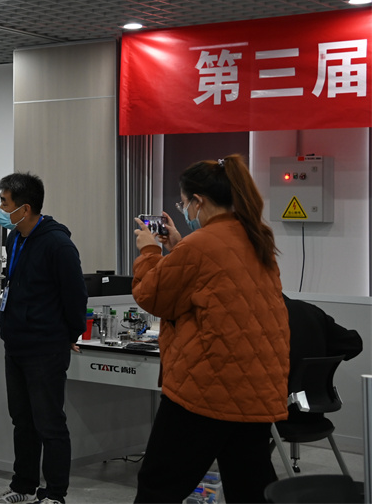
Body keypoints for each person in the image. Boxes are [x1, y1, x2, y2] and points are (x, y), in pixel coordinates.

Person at [131, 155, 290, 503]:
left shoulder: (201, 244)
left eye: (184, 203)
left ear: (198, 201)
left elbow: (152, 296)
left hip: (206, 389)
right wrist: (178, 246)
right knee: (250, 487)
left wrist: (150, 252)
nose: (185, 210)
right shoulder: (255, 238)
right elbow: (213, 284)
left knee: (158, 485)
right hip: (256, 389)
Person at [0, 172, 87, 504]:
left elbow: (75, 297)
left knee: (50, 424)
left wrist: (68, 334)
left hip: (46, 348)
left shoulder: (58, 244)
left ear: (25, 207)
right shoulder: (15, 238)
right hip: (15, 343)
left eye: (5, 203)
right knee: (23, 421)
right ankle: (23, 486)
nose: (1, 209)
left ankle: (55, 494)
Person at [282, 294, 363, 424]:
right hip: (315, 412)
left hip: (274, 416)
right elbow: (354, 344)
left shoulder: (260, 319)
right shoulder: (309, 311)